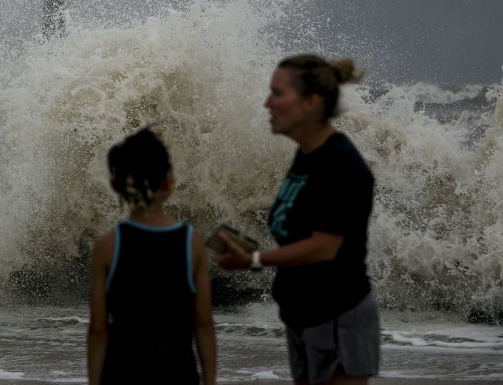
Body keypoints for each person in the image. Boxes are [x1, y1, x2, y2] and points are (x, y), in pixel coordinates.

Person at [215, 54, 379, 385]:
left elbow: (324, 247)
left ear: (310, 103)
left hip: (337, 317)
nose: (267, 102)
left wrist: (254, 259)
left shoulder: (339, 163)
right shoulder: (307, 155)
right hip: (304, 317)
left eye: (277, 93)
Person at [87, 127, 216, 385]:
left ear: (115, 184)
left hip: (122, 373)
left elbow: (98, 329)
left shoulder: (107, 247)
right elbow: (203, 324)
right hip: (178, 374)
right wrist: (211, 381)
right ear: (168, 182)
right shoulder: (192, 243)